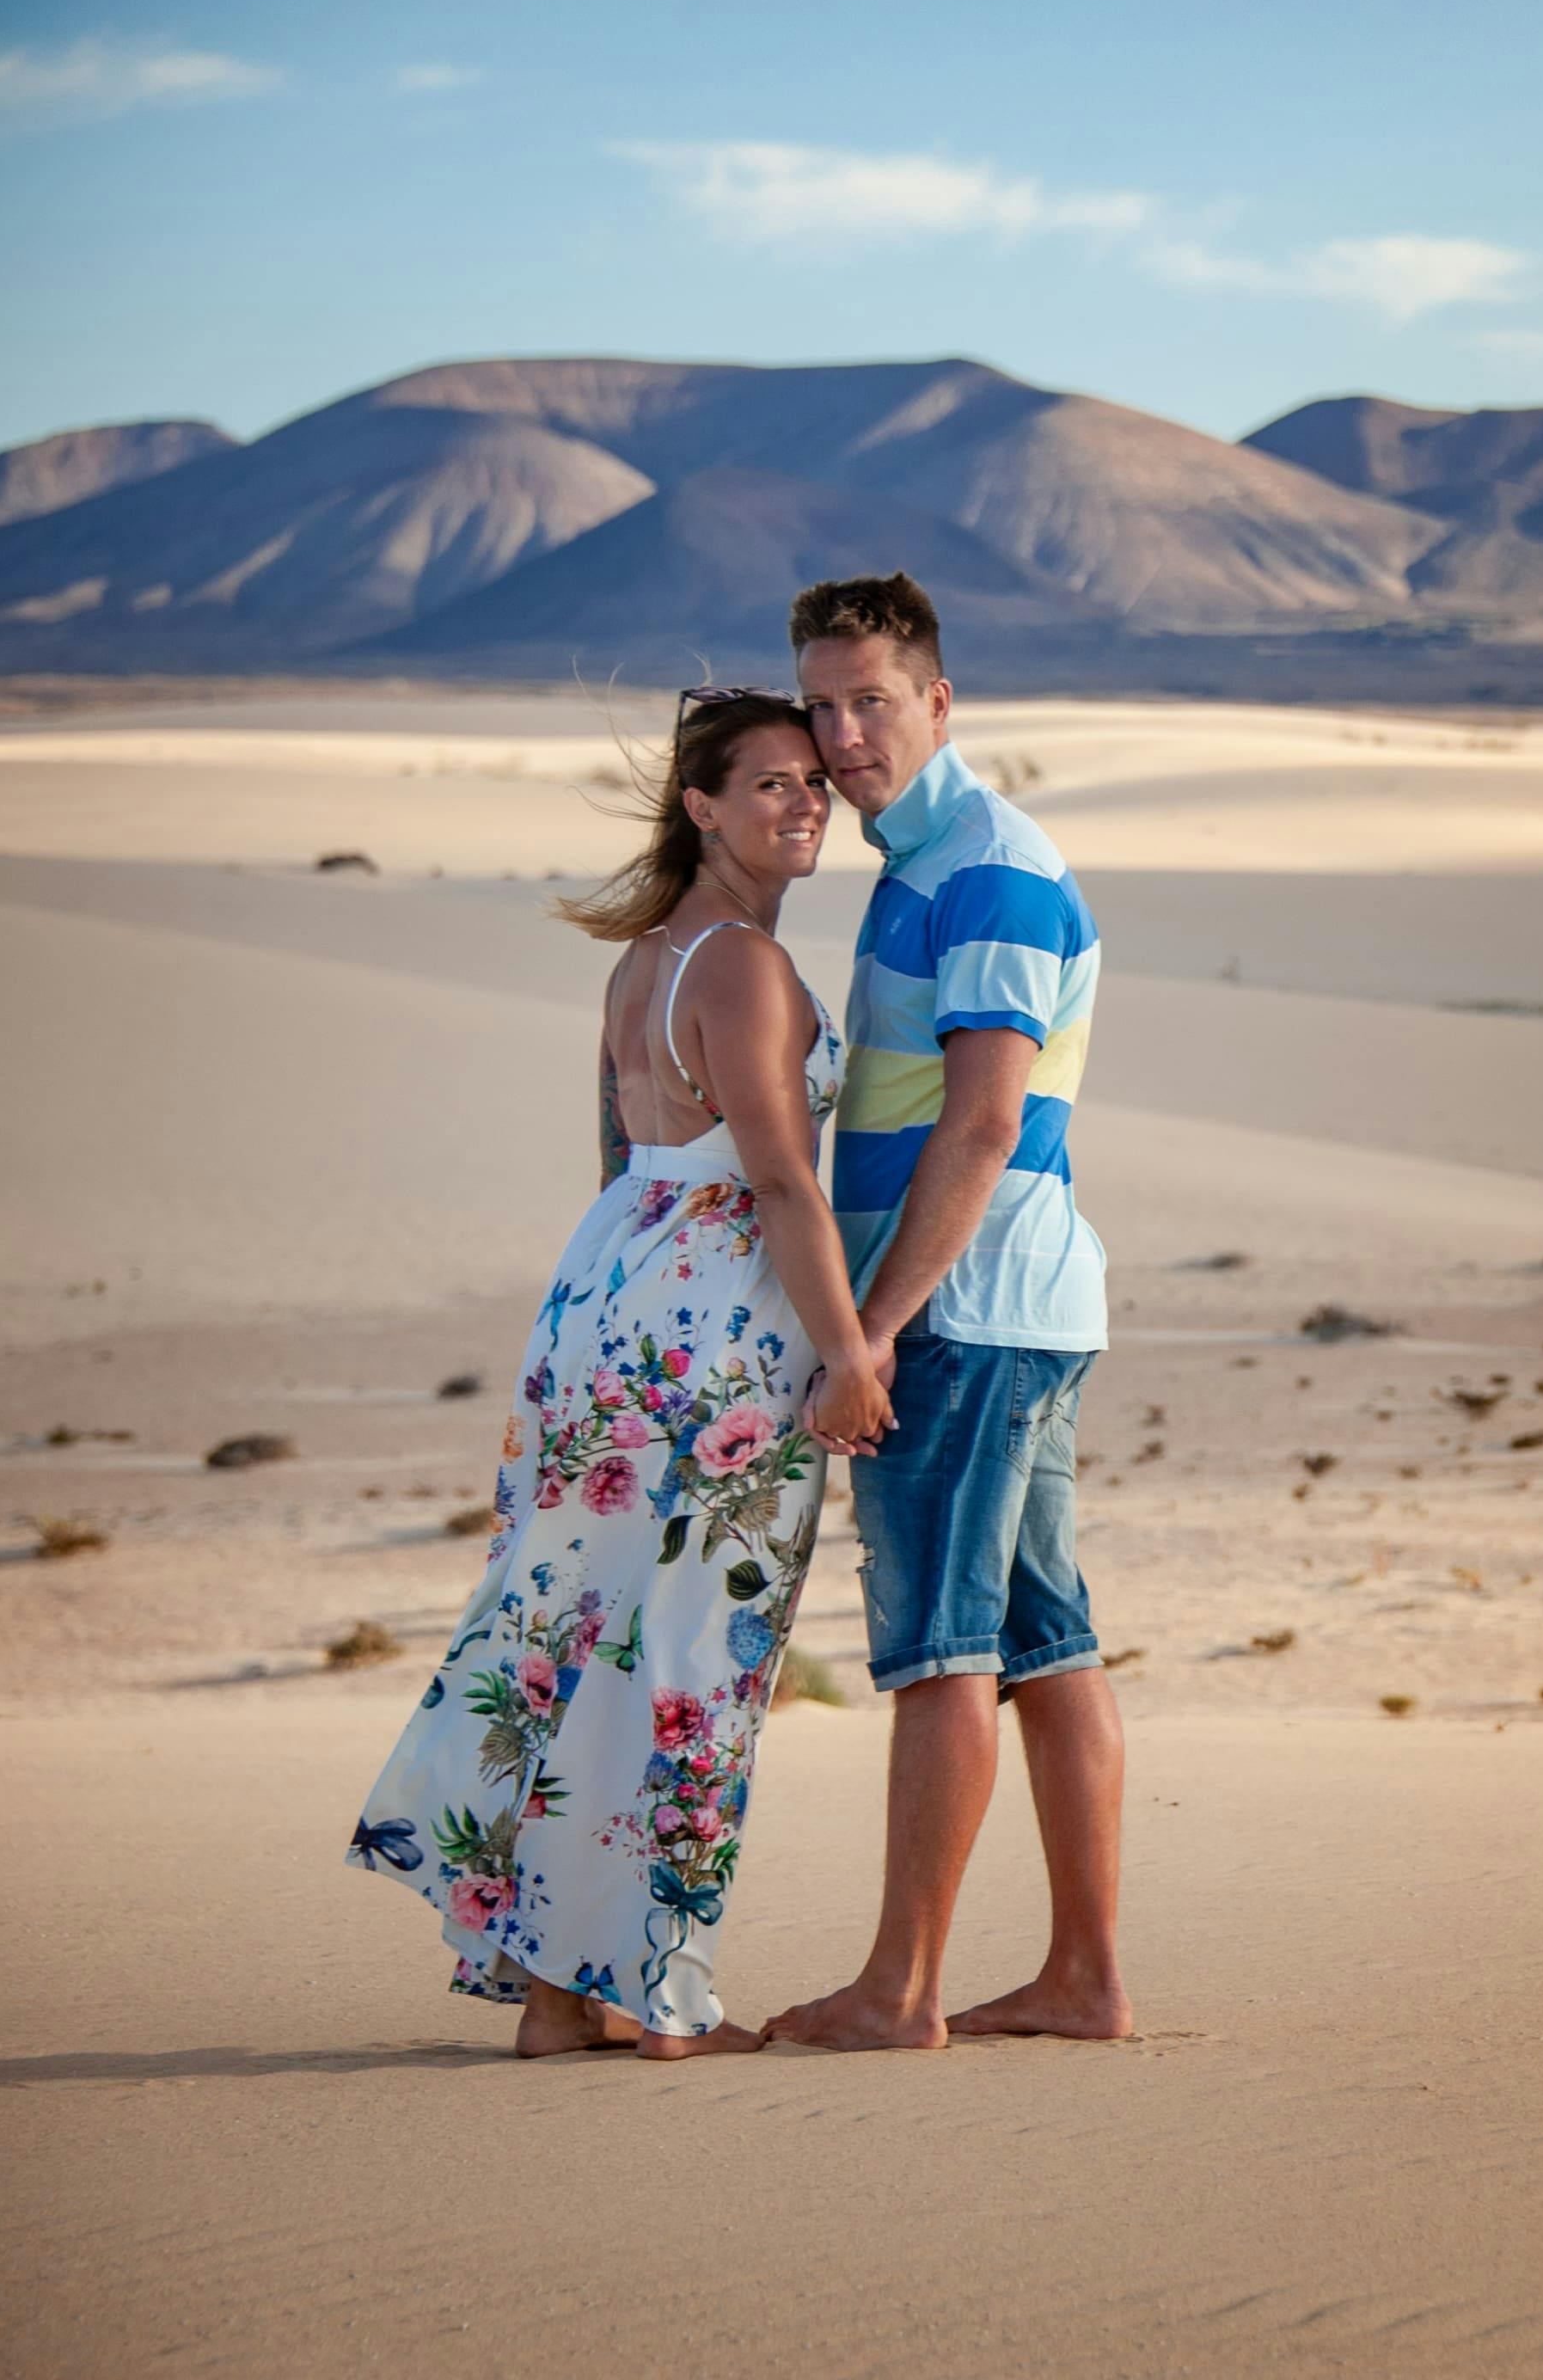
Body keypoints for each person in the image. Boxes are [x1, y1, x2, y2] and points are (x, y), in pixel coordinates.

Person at [347, 688, 892, 2058]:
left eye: (814, 783)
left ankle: (554, 1997)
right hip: (714, 1332)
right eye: (770, 784)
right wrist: (846, 1352)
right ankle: (657, 1994)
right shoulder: (744, 969)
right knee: (695, 1652)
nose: (805, 804)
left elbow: (617, 1162)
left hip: (609, 1301)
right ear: (701, 807)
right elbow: (776, 1176)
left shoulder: (642, 960)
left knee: (582, 1640)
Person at [763, 572, 1129, 2052]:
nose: (844, 735)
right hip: (1018, 1303)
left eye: (872, 701)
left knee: (940, 1651)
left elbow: (982, 1125)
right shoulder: (927, 866)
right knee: (1047, 1647)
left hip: (968, 1315)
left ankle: (898, 1992)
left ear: (939, 702)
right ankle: (1085, 1983)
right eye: (823, 704)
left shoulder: (983, 866)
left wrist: (871, 1331)